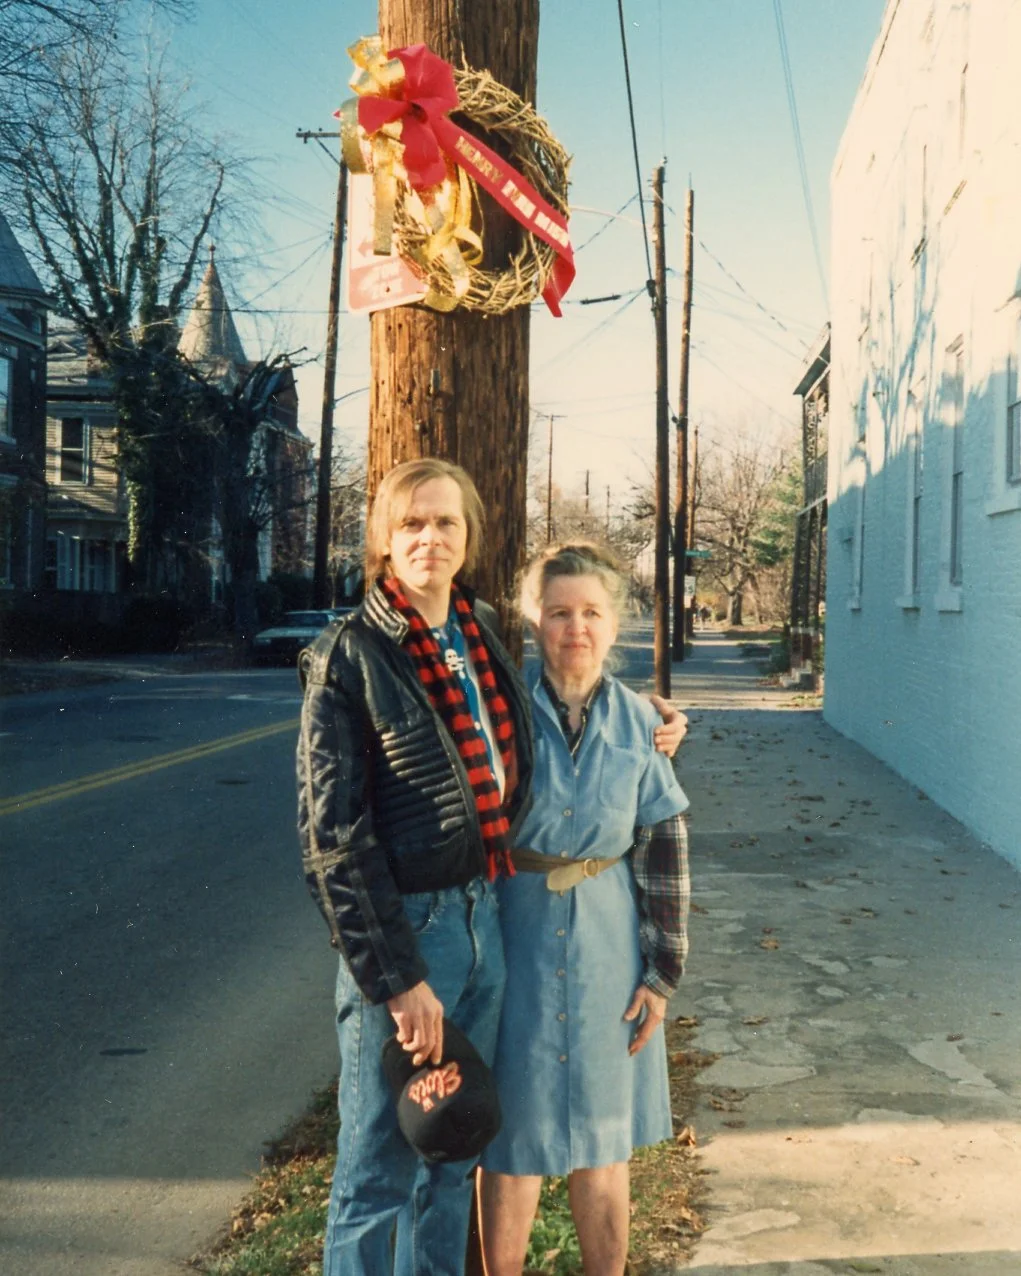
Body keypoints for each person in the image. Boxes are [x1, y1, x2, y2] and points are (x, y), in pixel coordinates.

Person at [297, 461, 684, 1276]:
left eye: (445, 523)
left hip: (485, 928)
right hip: (414, 937)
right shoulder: (350, 655)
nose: (429, 538)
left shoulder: (477, 646)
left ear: (468, 538)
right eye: (410, 524)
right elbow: (334, 840)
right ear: (383, 541)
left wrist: (651, 715)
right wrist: (396, 975)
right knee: (377, 1170)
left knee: (450, 1154)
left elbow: (574, 700)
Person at [479, 541, 691, 1276]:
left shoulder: (642, 723)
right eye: (559, 612)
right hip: (516, 944)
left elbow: (664, 849)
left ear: (613, 623)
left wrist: (661, 974)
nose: (576, 628)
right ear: (532, 621)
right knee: (511, 1145)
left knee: (604, 1144)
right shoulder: (497, 713)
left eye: (592, 613)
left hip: (609, 952)